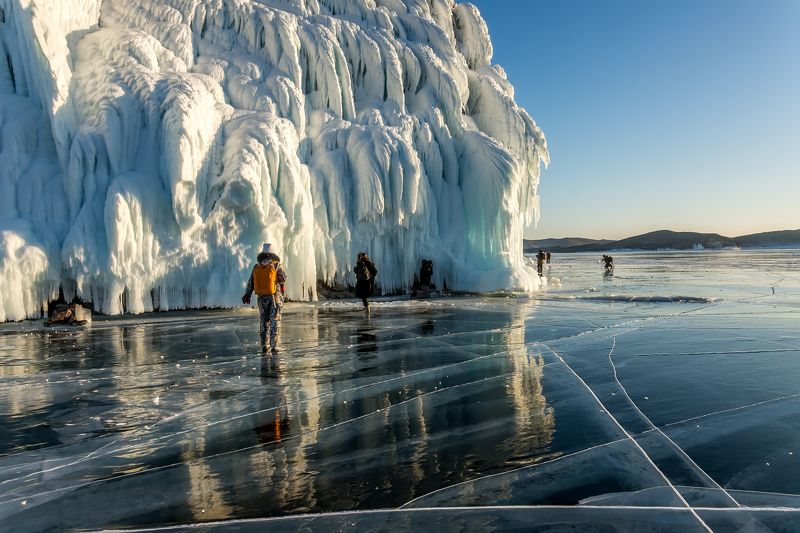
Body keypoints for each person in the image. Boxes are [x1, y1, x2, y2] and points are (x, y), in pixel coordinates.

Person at [242, 243, 287, 352]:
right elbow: (283, 278)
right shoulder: (276, 265)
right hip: (274, 298)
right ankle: (274, 346)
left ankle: (264, 345)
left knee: (264, 321)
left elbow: (251, 282)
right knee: (275, 320)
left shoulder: (257, 266)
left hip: (261, 298)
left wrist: (247, 294)